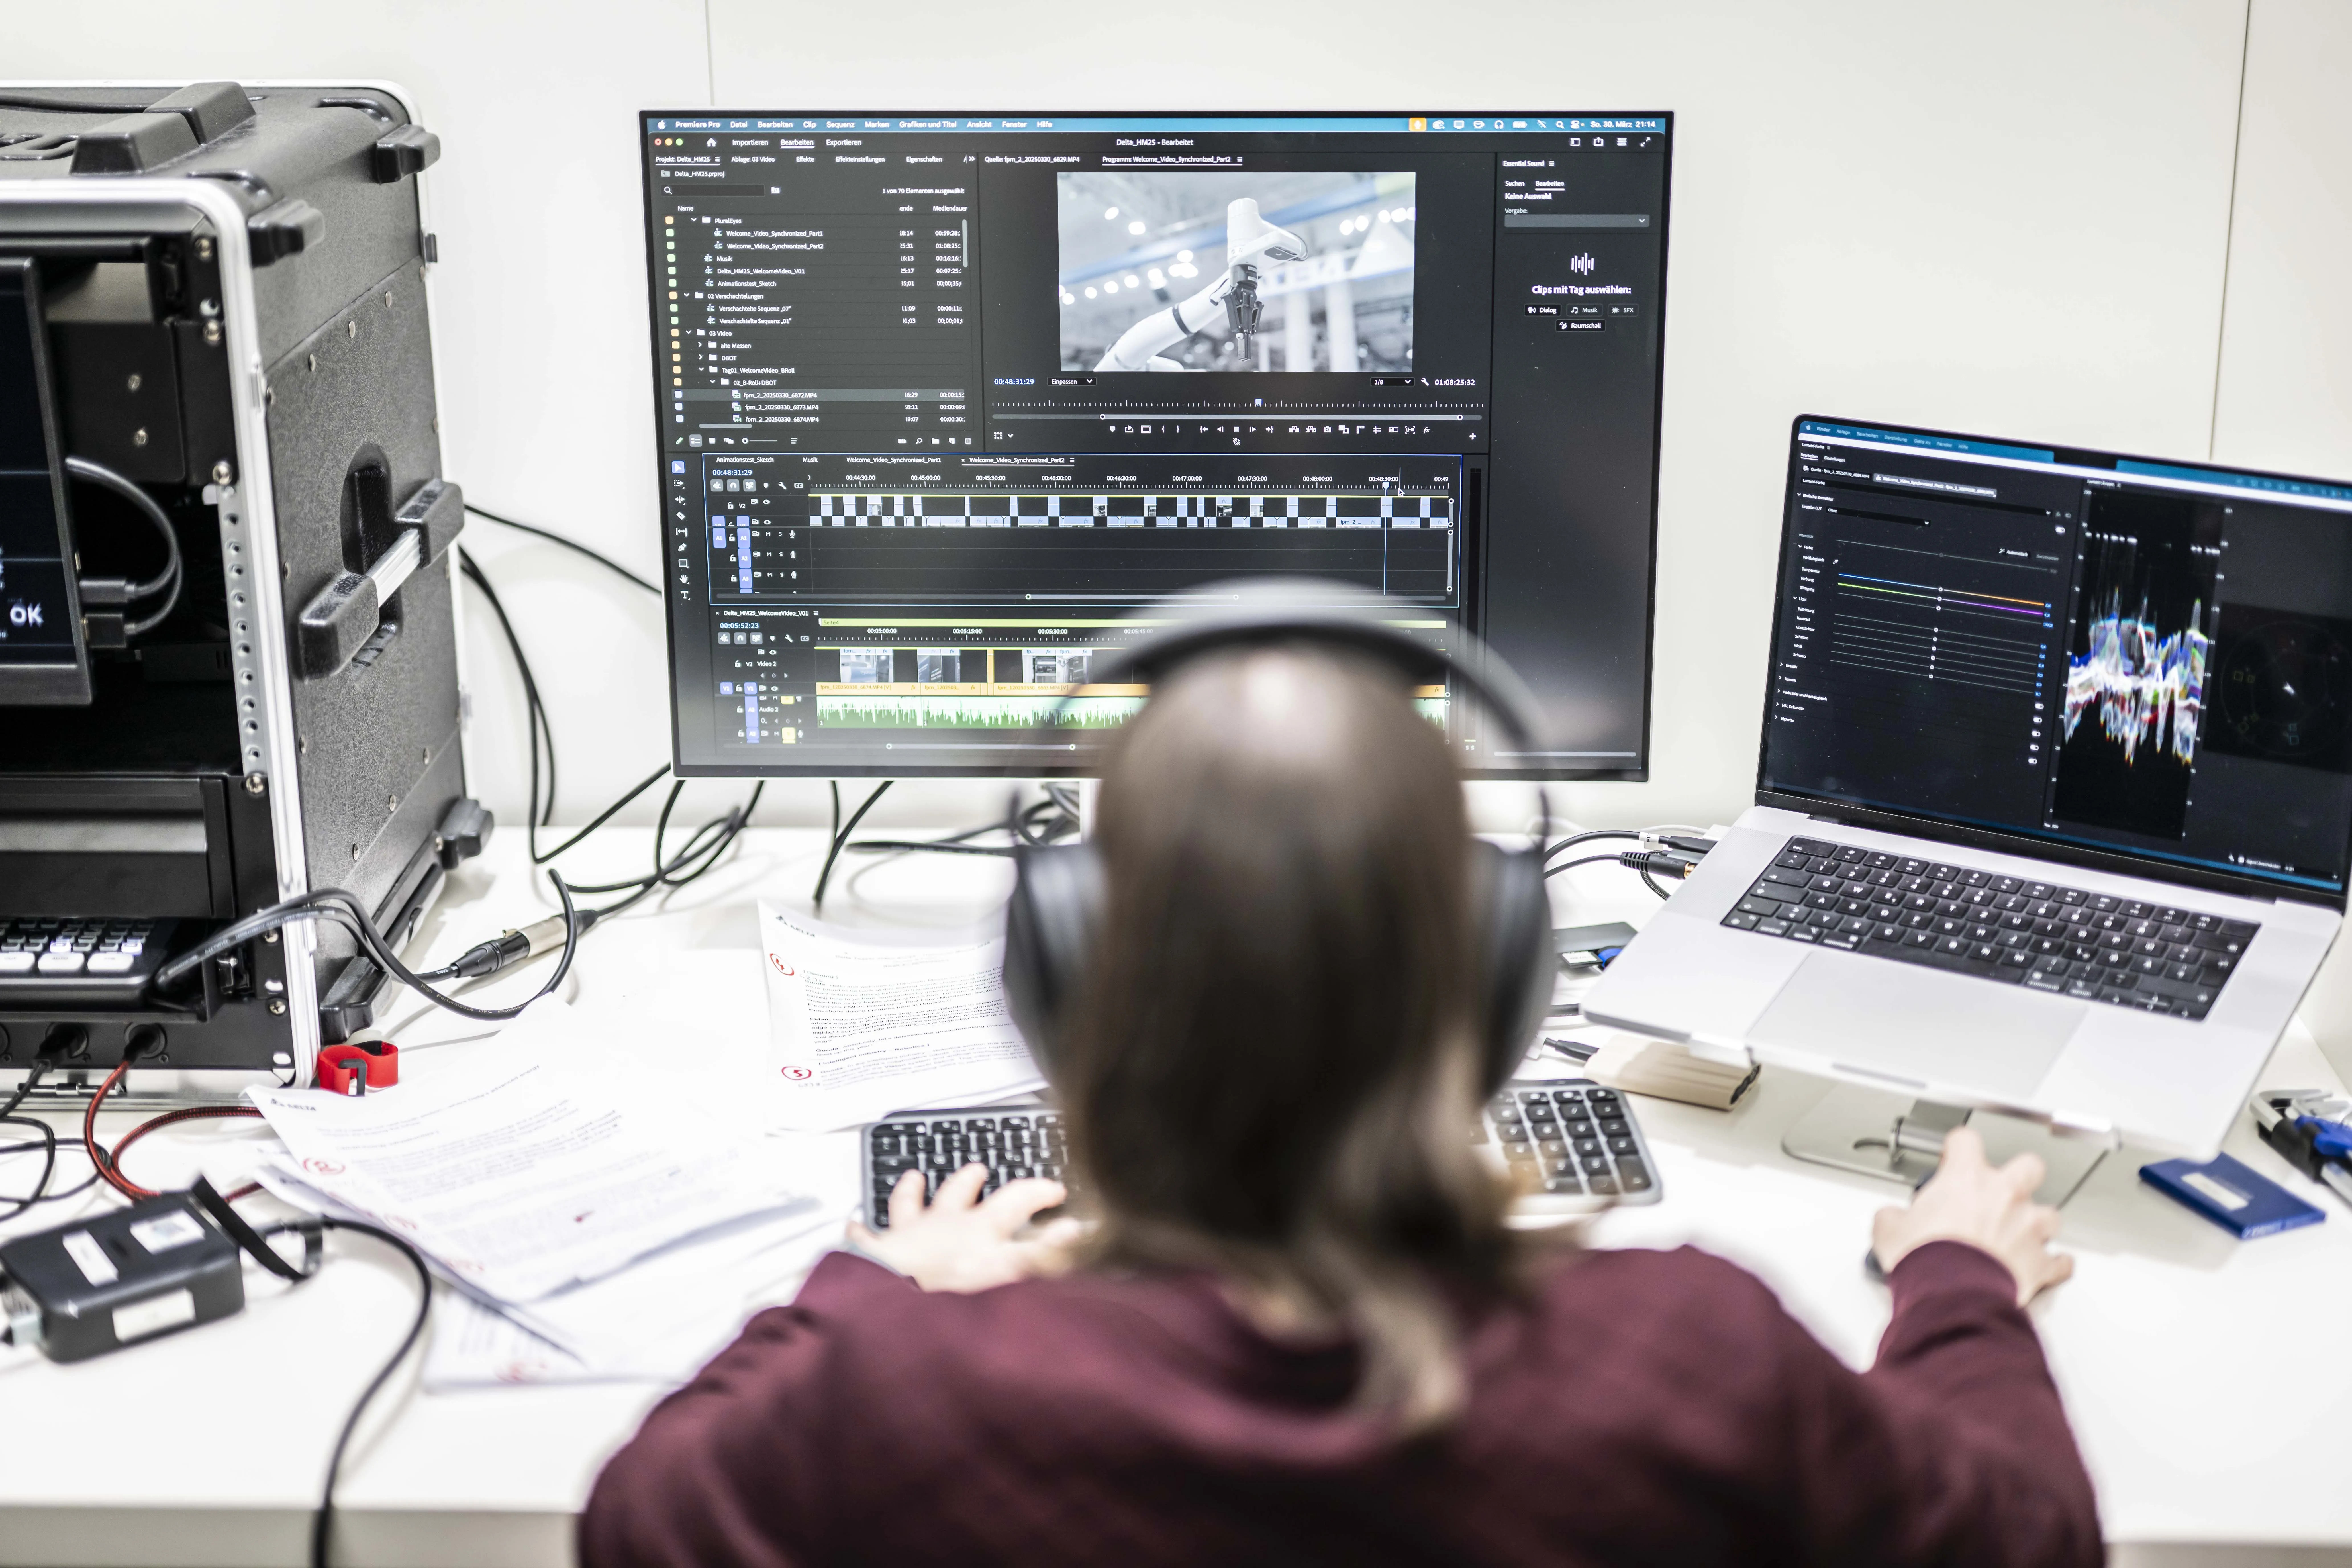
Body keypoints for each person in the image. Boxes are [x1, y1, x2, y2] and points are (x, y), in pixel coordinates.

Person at [581, 644, 2100, 1568]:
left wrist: (880, 1291)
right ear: (1491, 996)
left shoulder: (908, 1392)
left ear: (1071, 1008)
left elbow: (637, 1525)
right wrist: (1960, 1287)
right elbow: (2027, 1543)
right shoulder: (1695, 1362)